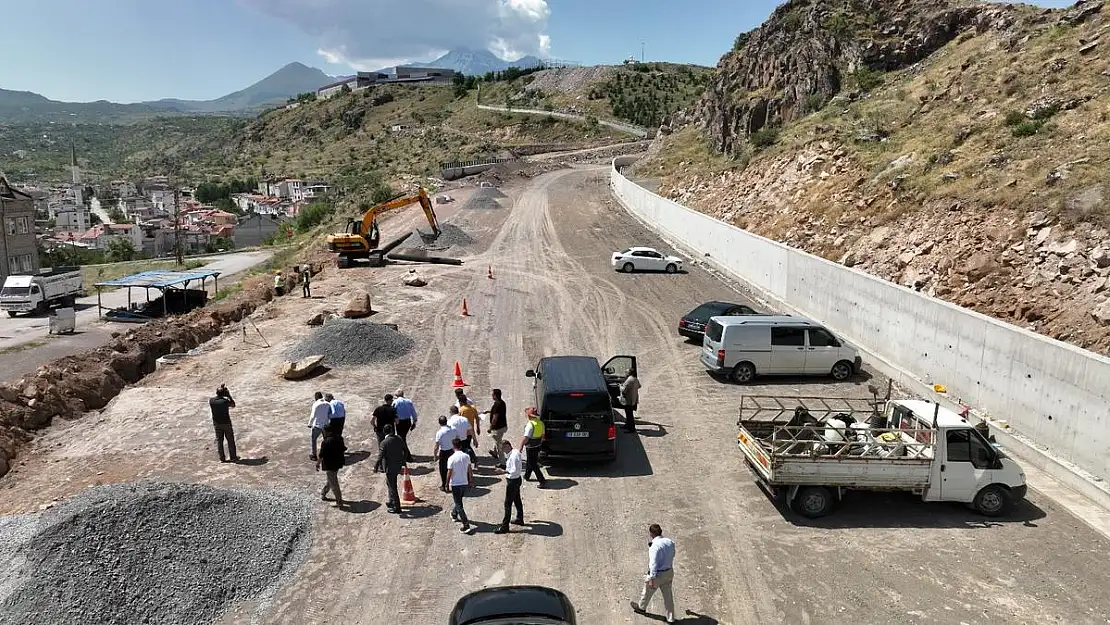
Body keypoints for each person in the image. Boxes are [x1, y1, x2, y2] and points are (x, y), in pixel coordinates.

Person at [630, 524, 677, 623]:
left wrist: (651, 577)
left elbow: (653, 563)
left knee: (647, 591)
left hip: (658, 575)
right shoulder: (670, 542)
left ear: (651, 534)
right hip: (669, 572)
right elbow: (673, 554)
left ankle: (641, 608)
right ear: (661, 532)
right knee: (668, 596)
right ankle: (671, 618)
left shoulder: (654, 546)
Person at [495, 439, 525, 534]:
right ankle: (520, 518)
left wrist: (503, 471)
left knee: (507, 504)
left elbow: (514, 471)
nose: (502, 451)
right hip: (515, 480)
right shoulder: (513, 453)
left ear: (507, 446)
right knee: (517, 500)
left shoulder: (514, 456)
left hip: (513, 481)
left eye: (503, 448)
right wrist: (503, 467)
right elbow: (512, 468)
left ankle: (505, 527)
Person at [445, 437, 474, 534]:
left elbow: (449, 472)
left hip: (456, 484)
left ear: (453, 446)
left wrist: (446, 484)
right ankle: (454, 513)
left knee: (458, 504)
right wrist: (471, 481)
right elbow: (469, 470)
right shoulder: (466, 456)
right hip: (464, 482)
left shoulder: (451, 458)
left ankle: (466, 524)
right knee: (458, 501)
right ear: (460, 446)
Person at [377, 423, 408, 513]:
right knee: (389, 483)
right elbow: (405, 450)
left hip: (390, 468)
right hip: (398, 465)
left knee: (392, 486)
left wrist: (376, 466)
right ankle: (392, 501)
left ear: (384, 432)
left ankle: (397, 507)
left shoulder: (384, 442)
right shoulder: (399, 438)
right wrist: (403, 460)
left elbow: (380, 456)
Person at [317, 423, 347, 508]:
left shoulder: (326, 442)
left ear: (327, 431)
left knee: (334, 484)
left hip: (330, 465)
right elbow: (343, 449)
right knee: (331, 479)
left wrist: (318, 464)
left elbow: (321, 455)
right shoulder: (339, 438)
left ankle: (339, 502)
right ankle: (323, 493)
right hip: (338, 463)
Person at [209, 384, 239, 463]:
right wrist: (228, 395)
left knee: (219, 441)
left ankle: (222, 458)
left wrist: (222, 391)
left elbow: (218, 397)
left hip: (217, 424)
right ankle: (233, 457)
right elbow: (233, 404)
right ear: (224, 394)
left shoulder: (211, 401)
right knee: (230, 440)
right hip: (226, 423)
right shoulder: (225, 401)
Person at [519, 407, 547, 488]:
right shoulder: (541, 423)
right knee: (531, 460)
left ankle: (542, 480)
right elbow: (543, 436)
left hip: (530, 446)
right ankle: (527, 475)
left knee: (533, 463)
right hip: (537, 445)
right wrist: (539, 443)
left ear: (529, 416)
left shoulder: (530, 425)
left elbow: (526, 438)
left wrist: (520, 446)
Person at [371, 394, 397, 471]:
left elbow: (372, 421)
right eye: (392, 400)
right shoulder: (392, 410)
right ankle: (390, 465)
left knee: (382, 449)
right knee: (390, 448)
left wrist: (375, 427)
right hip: (390, 432)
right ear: (389, 400)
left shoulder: (378, 409)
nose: (392, 402)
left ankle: (382, 467)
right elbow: (397, 421)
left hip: (380, 431)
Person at [432, 415, 456, 492]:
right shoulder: (452, 429)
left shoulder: (439, 433)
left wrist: (435, 456)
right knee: (452, 468)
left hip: (443, 452)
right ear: (446, 421)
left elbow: (437, 446)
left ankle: (444, 485)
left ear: (439, 423)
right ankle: (452, 484)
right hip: (451, 451)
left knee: (443, 470)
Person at [455, 388, 480, 461]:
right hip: (471, 430)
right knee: (467, 444)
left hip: (463, 431)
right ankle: (470, 458)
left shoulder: (461, 410)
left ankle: (472, 458)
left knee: (464, 446)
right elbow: (477, 418)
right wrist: (478, 427)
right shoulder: (472, 408)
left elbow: (459, 420)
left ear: (460, 402)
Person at [393, 388, 418, 461]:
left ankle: (407, 456)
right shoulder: (408, 401)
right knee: (402, 438)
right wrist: (414, 422)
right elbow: (413, 413)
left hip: (400, 422)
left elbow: (393, 412)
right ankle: (404, 454)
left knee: (401, 438)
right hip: (408, 422)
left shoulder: (395, 402)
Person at [308, 391, 332, 461]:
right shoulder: (328, 403)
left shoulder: (316, 404)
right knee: (326, 440)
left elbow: (313, 415)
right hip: (325, 425)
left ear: (316, 397)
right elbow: (330, 414)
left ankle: (314, 455)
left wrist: (309, 424)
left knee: (314, 440)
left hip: (317, 425)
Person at [487, 388, 508, 466]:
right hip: (503, 426)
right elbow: (497, 412)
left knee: (499, 444)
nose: (491, 396)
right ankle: (495, 452)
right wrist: (489, 411)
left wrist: (490, 427)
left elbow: (495, 417)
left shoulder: (496, 404)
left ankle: (503, 463)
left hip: (498, 428)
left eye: (492, 394)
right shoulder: (502, 403)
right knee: (497, 439)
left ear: (495, 396)